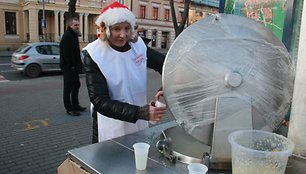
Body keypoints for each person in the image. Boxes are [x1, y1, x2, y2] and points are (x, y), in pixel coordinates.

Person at [82, 2, 167, 143]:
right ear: (106, 29)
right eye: (117, 29)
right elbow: (100, 101)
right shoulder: (94, 54)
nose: (123, 35)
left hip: (139, 120)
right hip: (110, 123)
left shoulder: (138, 46)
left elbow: (166, 65)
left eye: (127, 28)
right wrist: (141, 112)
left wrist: (166, 86)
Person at [60, 16, 86, 116]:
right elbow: (66, 54)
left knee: (76, 85)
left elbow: (75, 52)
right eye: (75, 25)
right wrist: (71, 66)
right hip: (69, 67)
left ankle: (76, 105)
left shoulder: (73, 35)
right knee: (68, 88)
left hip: (73, 67)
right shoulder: (67, 36)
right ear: (70, 25)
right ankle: (69, 108)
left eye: (78, 25)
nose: (77, 26)